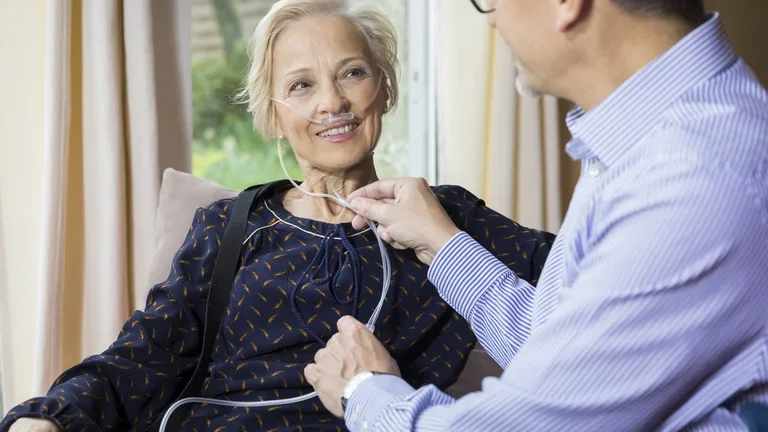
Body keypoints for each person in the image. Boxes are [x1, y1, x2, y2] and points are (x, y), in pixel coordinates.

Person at [0, 1, 555, 431]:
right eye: (301, 85)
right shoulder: (230, 226)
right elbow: (144, 354)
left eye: (353, 73)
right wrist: (51, 414)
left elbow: (585, 272)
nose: (331, 103)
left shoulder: (444, 216)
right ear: (272, 116)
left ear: (383, 88)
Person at [305, 0, 768, 431]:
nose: (492, 19)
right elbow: (569, 359)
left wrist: (363, 391)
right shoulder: (640, 143)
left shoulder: (691, 179)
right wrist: (441, 244)